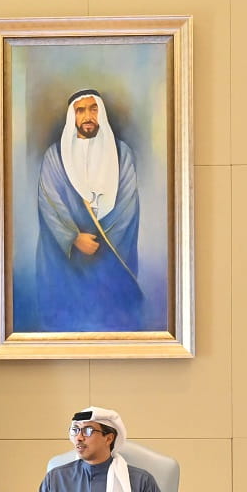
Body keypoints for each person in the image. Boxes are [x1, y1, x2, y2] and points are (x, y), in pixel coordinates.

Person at [30, 90, 149, 332]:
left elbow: (128, 204)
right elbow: (49, 202)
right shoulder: (55, 157)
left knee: (112, 317)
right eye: (80, 110)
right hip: (69, 258)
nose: (87, 116)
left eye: (93, 109)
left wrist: (103, 245)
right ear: (72, 116)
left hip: (110, 252)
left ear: (100, 113)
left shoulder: (122, 154)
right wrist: (73, 237)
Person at [25, 407, 166, 492]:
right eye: (75, 430)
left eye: (87, 431)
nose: (79, 437)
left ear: (109, 438)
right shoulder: (56, 478)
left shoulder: (141, 481)